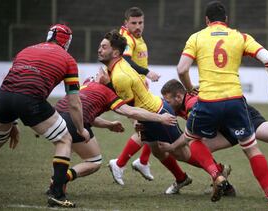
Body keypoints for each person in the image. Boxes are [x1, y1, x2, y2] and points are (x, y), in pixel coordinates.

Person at [176, 1, 268, 210]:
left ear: (206, 20)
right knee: (251, 148)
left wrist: (190, 87)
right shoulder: (240, 37)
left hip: (208, 101)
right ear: (226, 20)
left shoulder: (197, 37)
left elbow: (182, 68)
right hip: (236, 101)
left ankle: (215, 175)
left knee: (192, 139)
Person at [98, 30, 231, 201]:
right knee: (157, 150)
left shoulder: (120, 76)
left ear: (115, 52)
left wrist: (107, 87)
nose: (99, 50)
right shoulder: (117, 66)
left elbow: (127, 106)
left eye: (103, 47)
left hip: (157, 114)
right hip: (148, 115)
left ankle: (218, 171)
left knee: (181, 152)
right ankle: (182, 179)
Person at [0, 24, 90, 208]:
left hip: (3, 98)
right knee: (64, 140)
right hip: (30, 100)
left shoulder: (26, 50)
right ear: (67, 41)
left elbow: (13, 82)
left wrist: (12, 122)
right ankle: (57, 194)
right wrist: (80, 129)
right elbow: (74, 103)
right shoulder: (68, 59)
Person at [45, 70, 177, 193]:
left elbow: (88, 116)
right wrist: (160, 118)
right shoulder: (109, 93)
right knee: (94, 161)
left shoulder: (88, 84)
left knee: (65, 149)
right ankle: (60, 180)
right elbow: (131, 111)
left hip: (53, 117)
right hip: (72, 120)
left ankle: (57, 182)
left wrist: (109, 124)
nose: (100, 73)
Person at [111, 7, 161, 184]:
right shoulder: (127, 39)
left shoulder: (137, 36)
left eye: (141, 22)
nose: (138, 26)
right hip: (130, 89)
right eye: (134, 23)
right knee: (149, 125)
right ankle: (120, 163)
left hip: (139, 88)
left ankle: (142, 161)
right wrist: (147, 73)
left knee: (152, 125)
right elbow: (126, 60)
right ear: (126, 23)